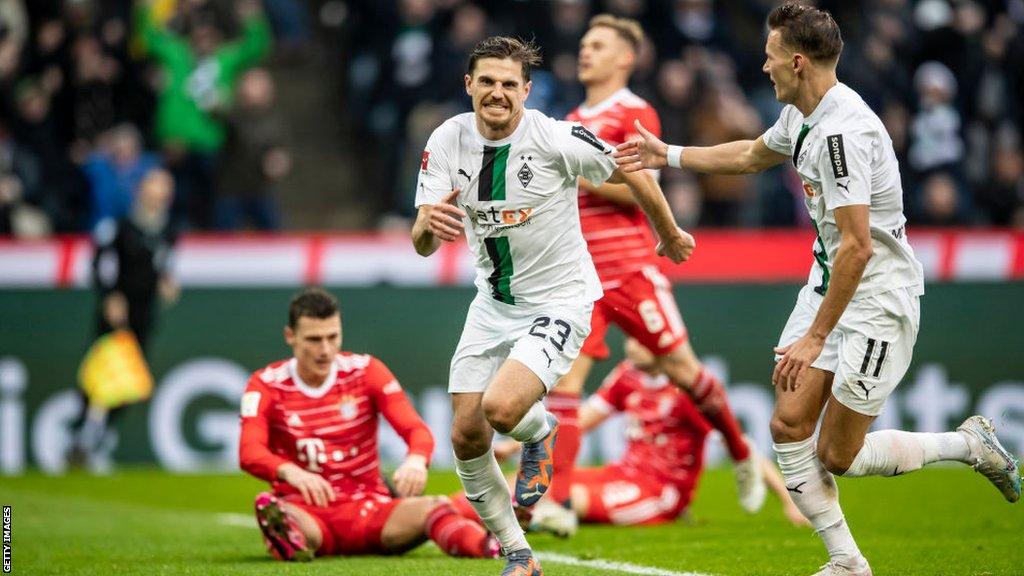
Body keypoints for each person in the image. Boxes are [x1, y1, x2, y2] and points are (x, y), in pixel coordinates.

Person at [614, 4, 1021, 575]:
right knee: (786, 425)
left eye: (772, 56)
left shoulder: (842, 135)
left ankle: (969, 446)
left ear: (798, 62)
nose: (764, 65)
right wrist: (670, 155)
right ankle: (848, 563)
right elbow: (754, 153)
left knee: (838, 454)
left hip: (877, 299)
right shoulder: (804, 114)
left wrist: (814, 336)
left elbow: (858, 246)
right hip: (830, 283)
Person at [411, 36, 694, 576]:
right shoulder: (446, 140)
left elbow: (632, 172)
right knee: (466, 436)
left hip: (560, 302)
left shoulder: (555, 137)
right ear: (469, 85)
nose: (497, 93)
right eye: (487, 82)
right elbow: (423, 238)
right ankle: (518, 552)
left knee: (500, 410)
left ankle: (539, 431)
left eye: (508, 84)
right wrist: (427, 228)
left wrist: (669, 232)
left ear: (527, 90)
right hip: (492, 302)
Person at [535, 14, 765, 538]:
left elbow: (642, 185)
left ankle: (742, 451)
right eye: (585, 44)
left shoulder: (634, 112)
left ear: (625, 58)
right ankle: (558, 499)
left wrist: (585, 176)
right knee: (565, 383)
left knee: (684, 371)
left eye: (598, 45)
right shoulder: (570, 117)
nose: (586, 52)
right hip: (583, 276)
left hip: (630, 268)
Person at [238, 288, 499, 562]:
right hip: (308, 509)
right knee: (288, 516)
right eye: (314, 340)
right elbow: (249, 452)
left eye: (332, 337)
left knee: (436, 507)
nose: (325, 350)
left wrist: (415, 461)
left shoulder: (366, 371)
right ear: (290, 336)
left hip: (370, 511)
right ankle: (289, 533)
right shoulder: (266, 384)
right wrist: (291, 472)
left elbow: (416, 430)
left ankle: (488, 548)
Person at [474, 338, 809, 535]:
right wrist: (516, 445)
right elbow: (581, 421)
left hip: (659, 492)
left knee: (562, 499)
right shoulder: (627, 376)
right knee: (526, 483)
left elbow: (742, 446)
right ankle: (457, 513)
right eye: (629, 337)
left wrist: (788, 500)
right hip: (621, 473)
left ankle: (488, 529)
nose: (631, 344)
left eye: (639, 337)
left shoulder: (687, 391)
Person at [68, 168, 179, 472]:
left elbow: (164, 263)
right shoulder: (119, 227)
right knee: (102, 372)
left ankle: (99, 437)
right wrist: (109, 296)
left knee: (132, 380)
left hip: (145, 313)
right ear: (141, 190)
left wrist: (166, 281)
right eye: (155, 188)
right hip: (116, 314)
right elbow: (97, 263)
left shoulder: (168, 229)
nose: (160, 196)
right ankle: (82, 430)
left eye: (165, 190)